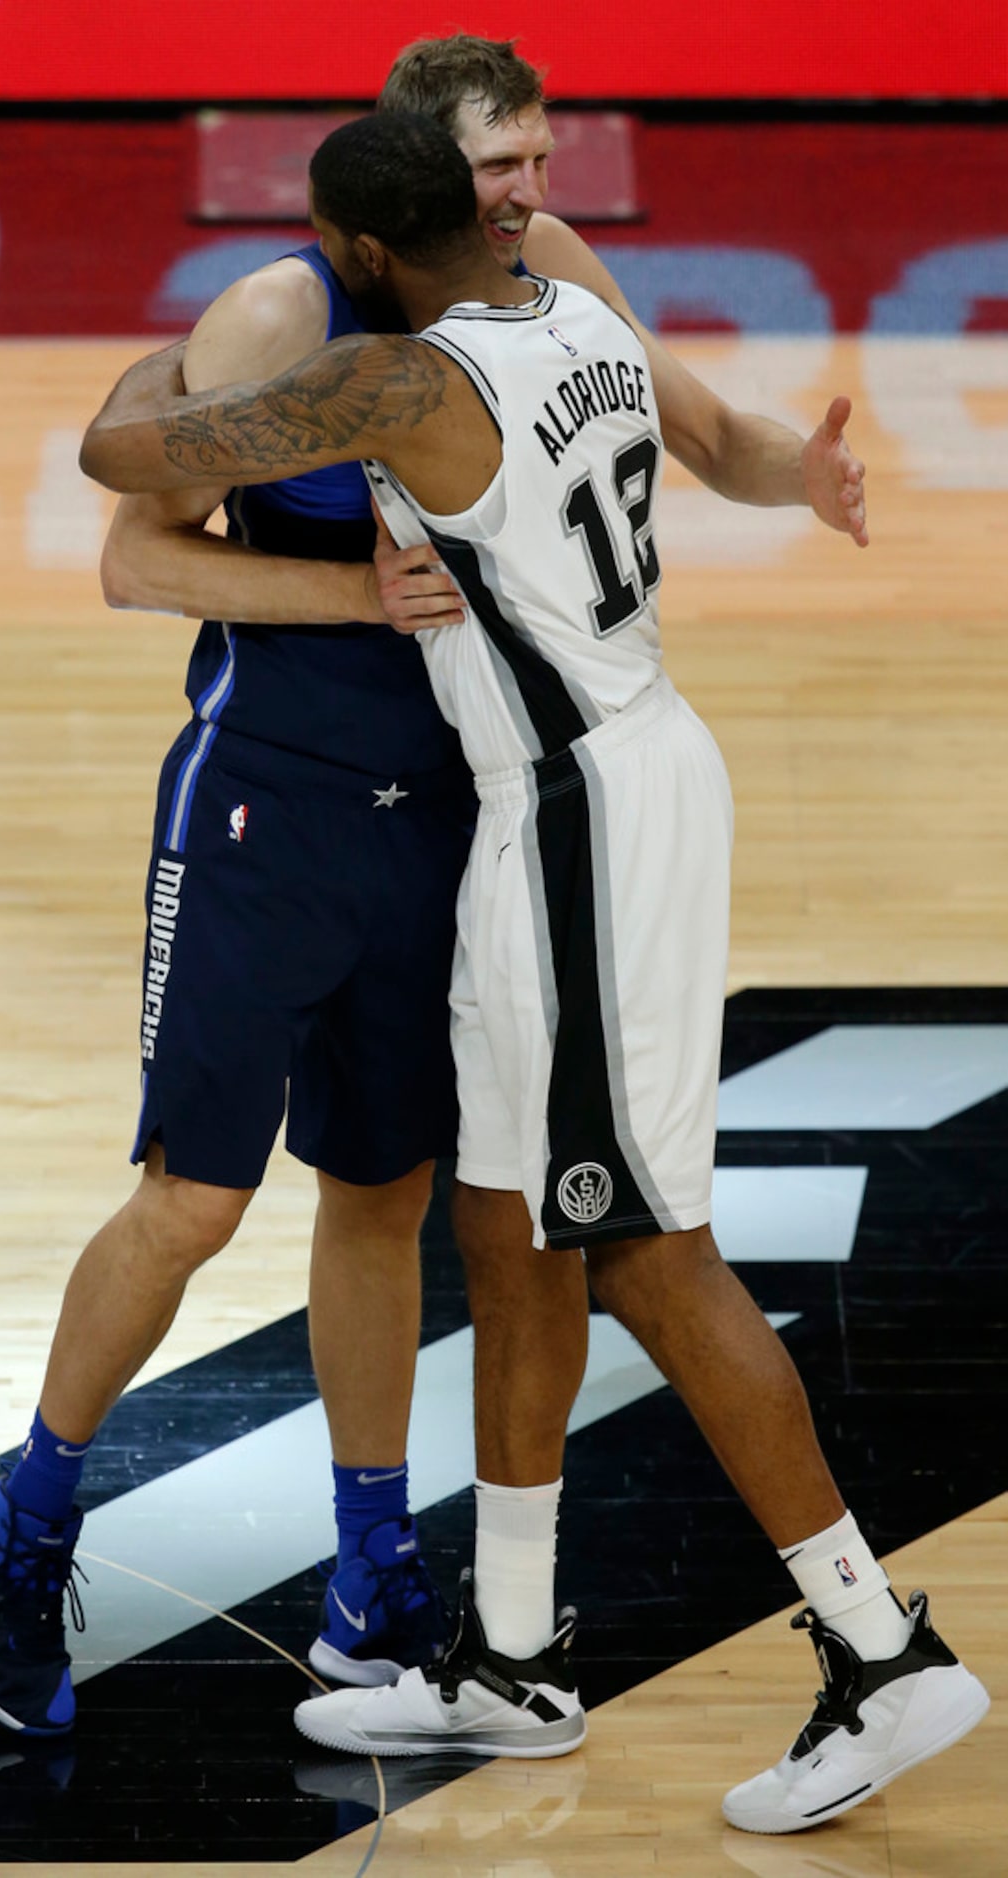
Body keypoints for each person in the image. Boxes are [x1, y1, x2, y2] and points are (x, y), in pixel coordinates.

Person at [79, 108, 990, 1834]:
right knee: (500, 1221)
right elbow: (706, 435)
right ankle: (510, 1658)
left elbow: (131, 464)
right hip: (565, 798)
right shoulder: (571, 302)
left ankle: (877, 1652)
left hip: (581, 812)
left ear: (354, 257)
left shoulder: (388, 385)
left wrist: (154, 378)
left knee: (643, 1246)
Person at [0, 28, 629, 1739]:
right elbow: (128, 557)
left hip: (442, 814)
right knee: (194, 1196)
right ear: (403, 199)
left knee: (383, 1192)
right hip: (264, 807)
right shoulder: (276, 319)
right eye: (499, 174)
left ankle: (369, 1567)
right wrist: (353, 602)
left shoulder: (534, 295)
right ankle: (19, 1521)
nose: (529, 201)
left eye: (540, 169)